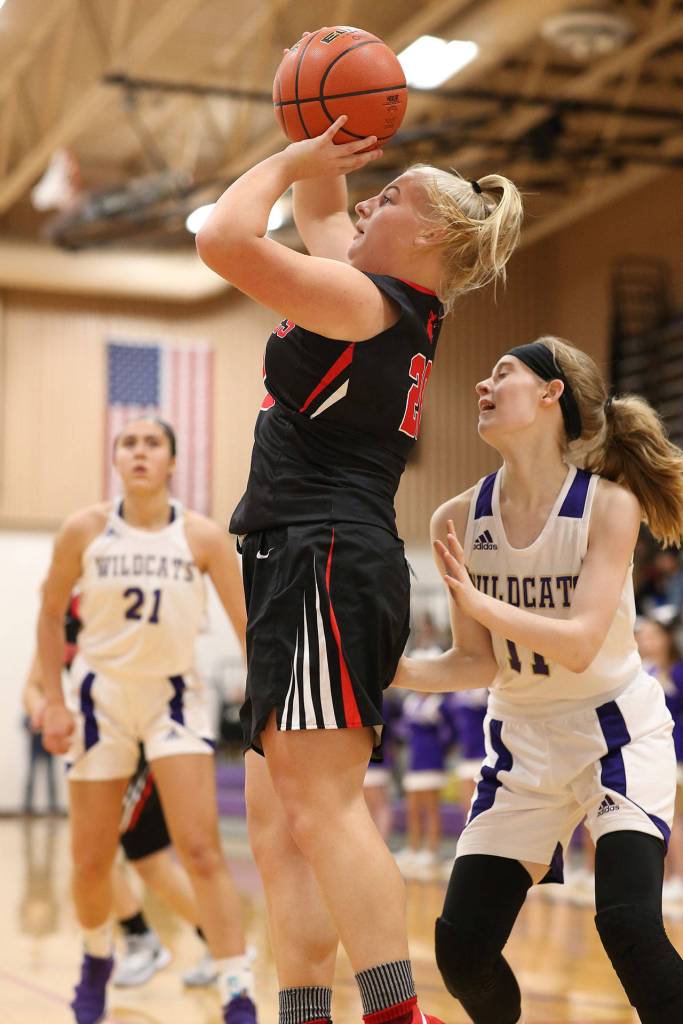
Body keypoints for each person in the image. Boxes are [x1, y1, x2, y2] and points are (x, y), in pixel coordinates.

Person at [196, 67, 523, 1023]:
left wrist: (290, 150)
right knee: (277, 828)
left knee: (322, 813)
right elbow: (322, 205)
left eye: (393, 196)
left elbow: (225, 237)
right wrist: (324, 132)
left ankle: (394, 1013)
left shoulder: (358, 304)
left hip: (321, 557)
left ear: (423, 235)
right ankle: (307, 1012)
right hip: (302, 561)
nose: (368, 199)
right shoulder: (384, 293)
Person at [395, 336, 683, 1024]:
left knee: (626, 924)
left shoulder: (608, 506)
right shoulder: (456, 517)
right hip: (519, 741)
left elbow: (582, 643)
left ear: (553, 394)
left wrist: (481, 604)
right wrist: (391, 669)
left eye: (503, 372)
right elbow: (476, 660)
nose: (480, 385)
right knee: (461, 951)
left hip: (613, 733)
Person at [37, 418, 256, 1024]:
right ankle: (97, 956)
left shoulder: (203, 536)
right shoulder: (84, 530)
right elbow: (51, 616)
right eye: (128, 443)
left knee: (201, 850)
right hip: (99, 700)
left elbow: (247, 630)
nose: (139, 452)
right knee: (89, 860)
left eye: (151, 443)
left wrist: (265, 709)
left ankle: (237, 985)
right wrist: (52, 699)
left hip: (174, 699)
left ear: (171, 461)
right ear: (115, 460)